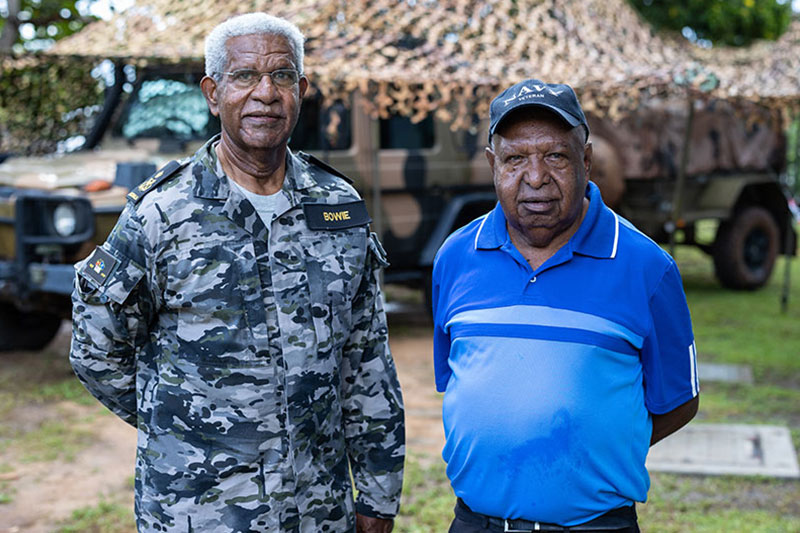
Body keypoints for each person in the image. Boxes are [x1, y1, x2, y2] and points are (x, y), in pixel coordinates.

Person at [70, 13, 404, 533]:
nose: (265, 93)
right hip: (199, 512)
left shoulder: (337, 204)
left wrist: (378, 498)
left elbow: (366, 361)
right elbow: (96, 348)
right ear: (213, 93)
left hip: (318, 510)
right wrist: (186, 427)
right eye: (245, 76)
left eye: (282, 76)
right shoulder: (163, 213)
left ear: (301, 91)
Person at [431, 79, 699, 532]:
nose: (536, 177)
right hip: (475, 523)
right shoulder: (455, 256)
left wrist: (601, 447)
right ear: (493, 165)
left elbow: (679, 401)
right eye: (515, 159)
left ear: (586, 161)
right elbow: (456, 381)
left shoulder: (646, 266)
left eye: (555, 156)